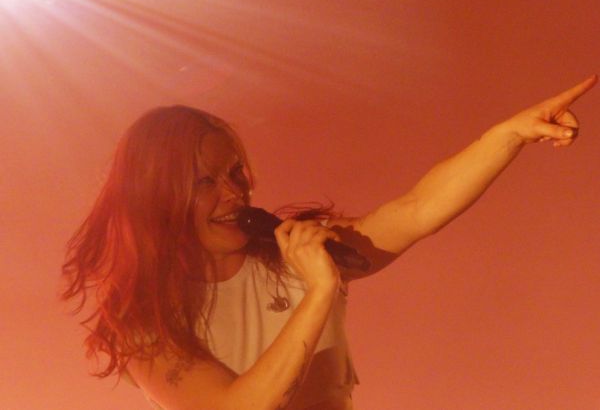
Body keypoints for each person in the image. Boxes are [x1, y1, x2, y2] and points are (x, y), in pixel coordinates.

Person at [61, 75, 596, 410]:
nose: (234, 193)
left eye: (236, 173)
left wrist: (508, 135)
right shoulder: (142, 319)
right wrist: (319, 292)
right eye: (205, 182)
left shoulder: (292, 253)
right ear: (157, 196)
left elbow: (415, 211)